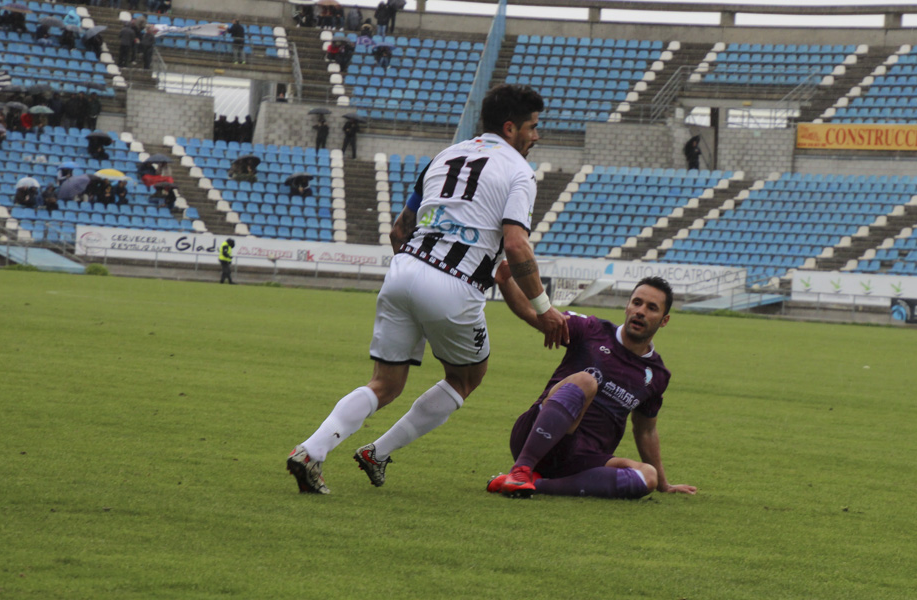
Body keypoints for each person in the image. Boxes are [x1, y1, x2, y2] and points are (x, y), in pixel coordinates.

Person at [286, 84, 567, 494]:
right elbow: (516, 244)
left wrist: (416, 271)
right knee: (466, 378)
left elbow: (400, 229)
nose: (536, 137)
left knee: (384, 383)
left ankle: (311, 452)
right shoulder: (519, 171)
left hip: (402, 271)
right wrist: (545, 308)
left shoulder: (446, 155)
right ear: (510, 128)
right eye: (532, 128)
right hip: (453, 285)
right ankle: (377, 452)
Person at [486, 274, 697, 499]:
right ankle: (521, 470)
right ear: (627, 306)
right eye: (637, 303)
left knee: (648, 477)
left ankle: (538, 485)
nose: (641, 311)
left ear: (664, 320)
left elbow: (646, 430)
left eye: (652, 308)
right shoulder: (592, 330)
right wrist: (506, 282)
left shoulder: (657, 375)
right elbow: (534, 314)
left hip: (584, 459)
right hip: (535, 437)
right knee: (586, 381)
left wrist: (664, 484)